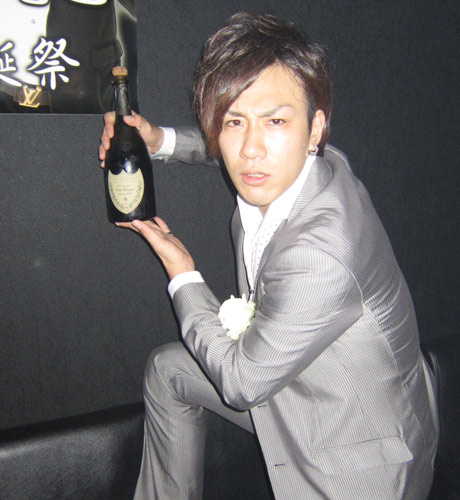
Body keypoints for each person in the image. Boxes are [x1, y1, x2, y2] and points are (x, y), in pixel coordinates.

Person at [99, 12, 439, 500]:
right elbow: (234, 144)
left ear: (314, 128)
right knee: (169, 370)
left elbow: (241, 383)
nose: (251, 149)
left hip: (358, 460)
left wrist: (182, 273)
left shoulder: (322, 251)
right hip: (297, 383)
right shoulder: (316, 162)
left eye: (276, 121)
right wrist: (159, 142)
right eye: (233, 121)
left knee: (224, 370)